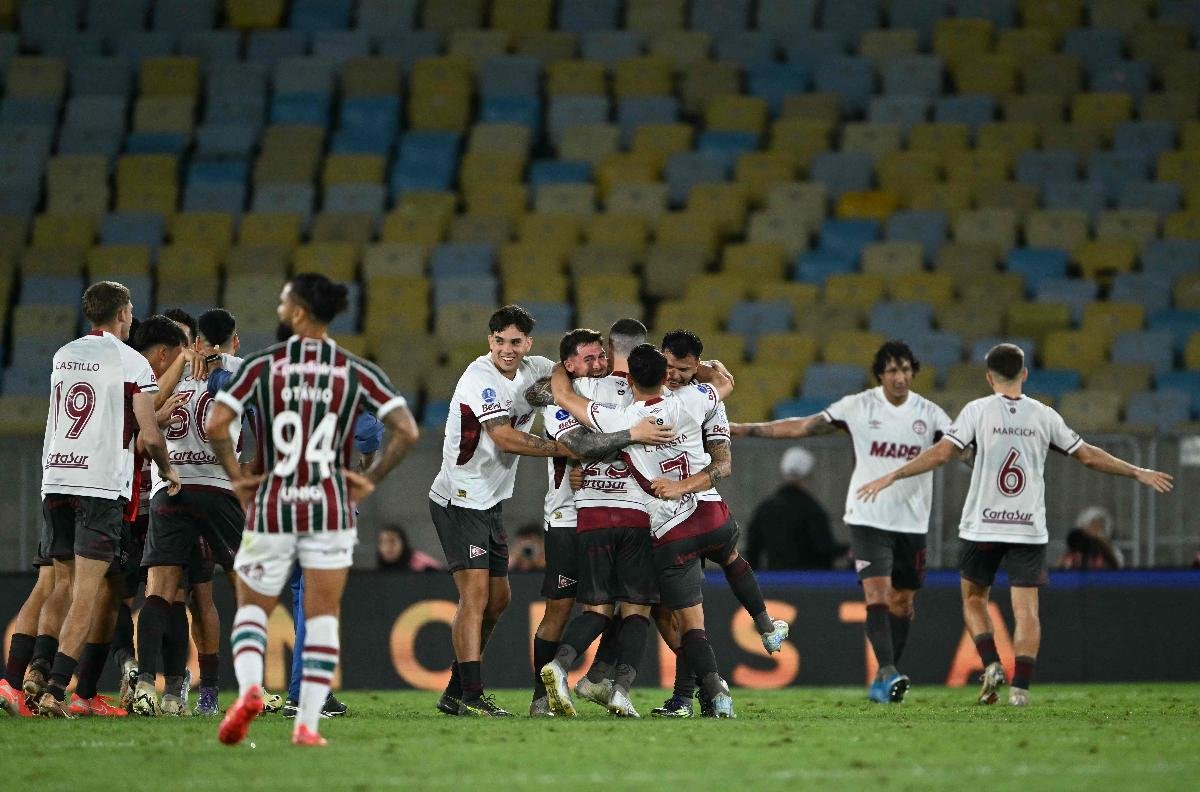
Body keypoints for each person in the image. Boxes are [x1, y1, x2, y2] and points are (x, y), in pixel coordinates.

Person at [857, 343, 1173, 707]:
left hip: (981, 527)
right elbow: (1087, 455)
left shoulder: (976, 411)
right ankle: (1020, 689)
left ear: (989, 377)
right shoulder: (1044, 415)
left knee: (975, 599)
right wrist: (1137, 470)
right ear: (1024, 374)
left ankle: (991, 661)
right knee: (1027, 611)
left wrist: (896, 473)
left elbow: (943, 452)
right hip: (1027, 527)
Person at [209, 273, 419, 747]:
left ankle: (248, 692)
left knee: (252, 608)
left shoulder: (263, 365)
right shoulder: (354, 370)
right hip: (330, 506)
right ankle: (306, 724)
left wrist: (239, 476)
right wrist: (370, 479)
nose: (280, 306)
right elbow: (406, 430)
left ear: (300, 312)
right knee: (322, 615)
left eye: (285, 300)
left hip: (273, 504)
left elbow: (220, 422)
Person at [549, 344, 786, 719]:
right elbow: (725, 383)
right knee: (677, 605)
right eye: (671, 368)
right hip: (704, 513)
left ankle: (700, 694)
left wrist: (559, 371)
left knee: (669, 617)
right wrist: (709, 372)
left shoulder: (621, 418)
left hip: (665, 527)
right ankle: (759, 632)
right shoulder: (692, 402)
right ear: (663, 371)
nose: (677, 375)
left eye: (685, 368)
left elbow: (564, 401)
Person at [730, 340, 953, 704]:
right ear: (880, 374)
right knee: (877, 595)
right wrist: (747, 429)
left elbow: (957, 447)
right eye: (892, 370)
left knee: (903, 603)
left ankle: (885, 676)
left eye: (905, 369)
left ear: (914, 372)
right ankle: (889, 672)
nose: (899, 377)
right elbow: (804, 426)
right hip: (867, 517)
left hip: (912, 522)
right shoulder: (858, 406)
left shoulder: (931, 414)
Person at [24, 282, 181, 718]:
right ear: (123, 314)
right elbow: (149, 434)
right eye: (130, 311)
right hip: (98, 485)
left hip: (56, 475)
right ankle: (58, 690)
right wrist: (168, 471)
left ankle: (37, 669)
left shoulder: (63, 354)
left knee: (60, 582)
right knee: (87, 591)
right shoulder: (132, 362)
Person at [428, 305, 574, 717]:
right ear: (489, 340)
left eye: (515, 342)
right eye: (499, 341)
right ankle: (470, 697)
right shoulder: (479, 378)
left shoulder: (535, 368)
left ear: (527, 343)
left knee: (499, 600)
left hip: (489, 502)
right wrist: (562, 448)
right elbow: (505, 438)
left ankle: (456, 691)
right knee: (475, 597)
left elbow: (568, 372)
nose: (506, 350)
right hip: (459, 499)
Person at [523, 326, 674, 718]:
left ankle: (595, 679)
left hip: (609, 512)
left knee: (615, 607)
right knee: (560, 610)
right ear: (570, 362)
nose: (598, 364)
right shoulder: (562, 395)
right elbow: (578, 443)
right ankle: (543, 697)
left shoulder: (617, 388)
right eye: (588, 359)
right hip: (565, 514)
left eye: (601, 356)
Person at [131, 308, 248, 717]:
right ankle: (217, 692)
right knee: (233, 593)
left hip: (173, 490)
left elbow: (145, 408)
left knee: (159, 592)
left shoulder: (176, 372)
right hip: (220, 491)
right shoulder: (243, 370)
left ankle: (147, 684)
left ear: (196, 342)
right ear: (235, 341)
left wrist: (182, 361)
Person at [746, 447, 842, 570]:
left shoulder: (766, 508)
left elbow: (752, 549)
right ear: (808, 476)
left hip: (774, 582)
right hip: (810, 582)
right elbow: (823, 547)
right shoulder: (812, 509)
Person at [1056, 506, 1123, 570]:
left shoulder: (1112, 551)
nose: (1094, 529)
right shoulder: (1074, 553)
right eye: (1091, 525)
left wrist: (1098, 541)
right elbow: (1060, 570)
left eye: (1097, 526)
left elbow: (1117, 566)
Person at [377, 525, 442, 572]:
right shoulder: (378, 571)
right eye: (383, 542)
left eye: (392, 541)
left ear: (403, 543)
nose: (388, 547)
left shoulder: (424, 566)